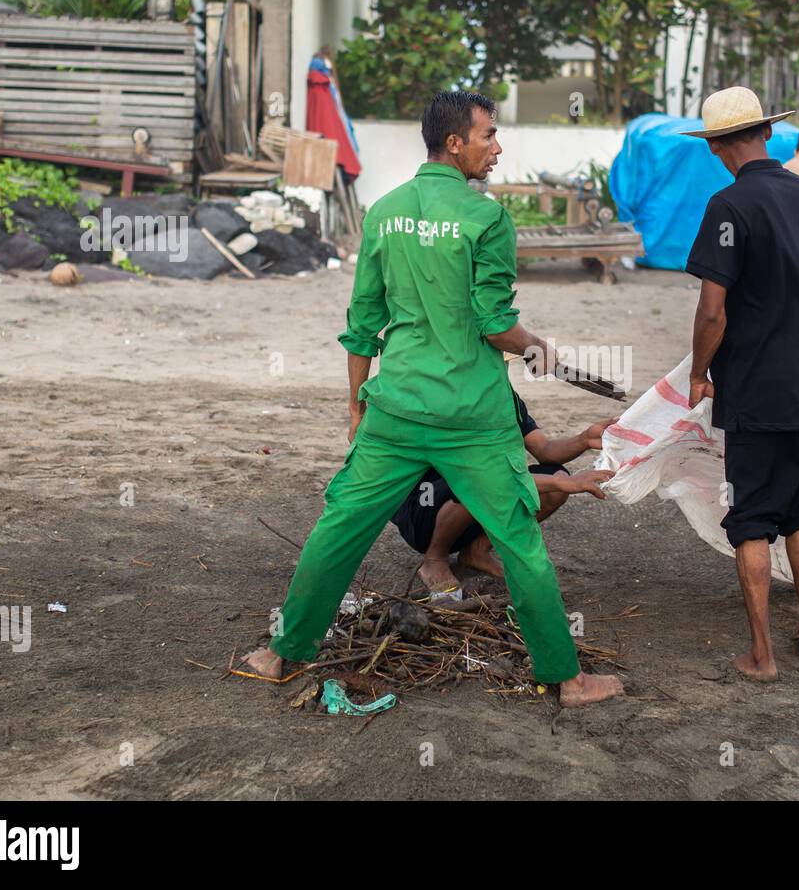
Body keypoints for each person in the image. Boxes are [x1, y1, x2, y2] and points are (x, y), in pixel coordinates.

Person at [243, 90, 624, 707]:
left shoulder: (385, 211)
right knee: (520, 540)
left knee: (338, 527)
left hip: (395, 404)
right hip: (472, 414)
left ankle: (280, 653)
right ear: (455, 143)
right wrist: (538, 348)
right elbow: (495, 324)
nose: (498, 148)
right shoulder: (487, 218)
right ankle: (567, 678)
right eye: (489, 135)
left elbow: (362, 321)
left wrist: (355, 405)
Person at [682, 86, 799, 681]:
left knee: (750, 515)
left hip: (754, 386)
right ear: (768, 134)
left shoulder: (727, 207)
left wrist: (699, 374)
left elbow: (712, 311)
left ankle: (762, 654)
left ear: (717, 146)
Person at [392, 388, 615, 595]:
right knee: (477, 479)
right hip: (424, 510)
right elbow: (482, 476)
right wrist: (560, 483)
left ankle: (476, 550)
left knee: (555, 480)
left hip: (475, 496)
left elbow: (545, 451)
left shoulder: (503, 395)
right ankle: (435, 559)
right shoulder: (443, 395)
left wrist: (584, 439)